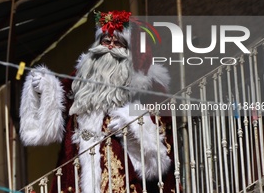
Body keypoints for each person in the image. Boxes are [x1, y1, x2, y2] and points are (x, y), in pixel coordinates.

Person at [19, 10, 176, 193]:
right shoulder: (80, 79)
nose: (109, 47)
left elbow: (162, 138)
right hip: (77, 172)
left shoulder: (149, 87)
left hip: (123, 175)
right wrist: (44, 87)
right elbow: (56, 110)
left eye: (117, 43)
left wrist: (133, 124)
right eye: (105, 41)